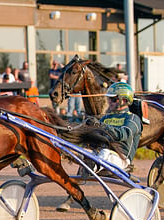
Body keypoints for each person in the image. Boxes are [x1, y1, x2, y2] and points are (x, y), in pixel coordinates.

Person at [57, 82, 142, 211]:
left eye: (113, 99)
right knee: (75, 149)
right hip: (99, 154)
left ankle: (91, 166)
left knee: (105, 153)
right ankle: (79, 158)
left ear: (124, 100)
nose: (109, 102)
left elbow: (121, 135)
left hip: (120, 158)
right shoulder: (106, 117)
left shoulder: (133, 119)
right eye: (109, 99)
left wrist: (101, 126)